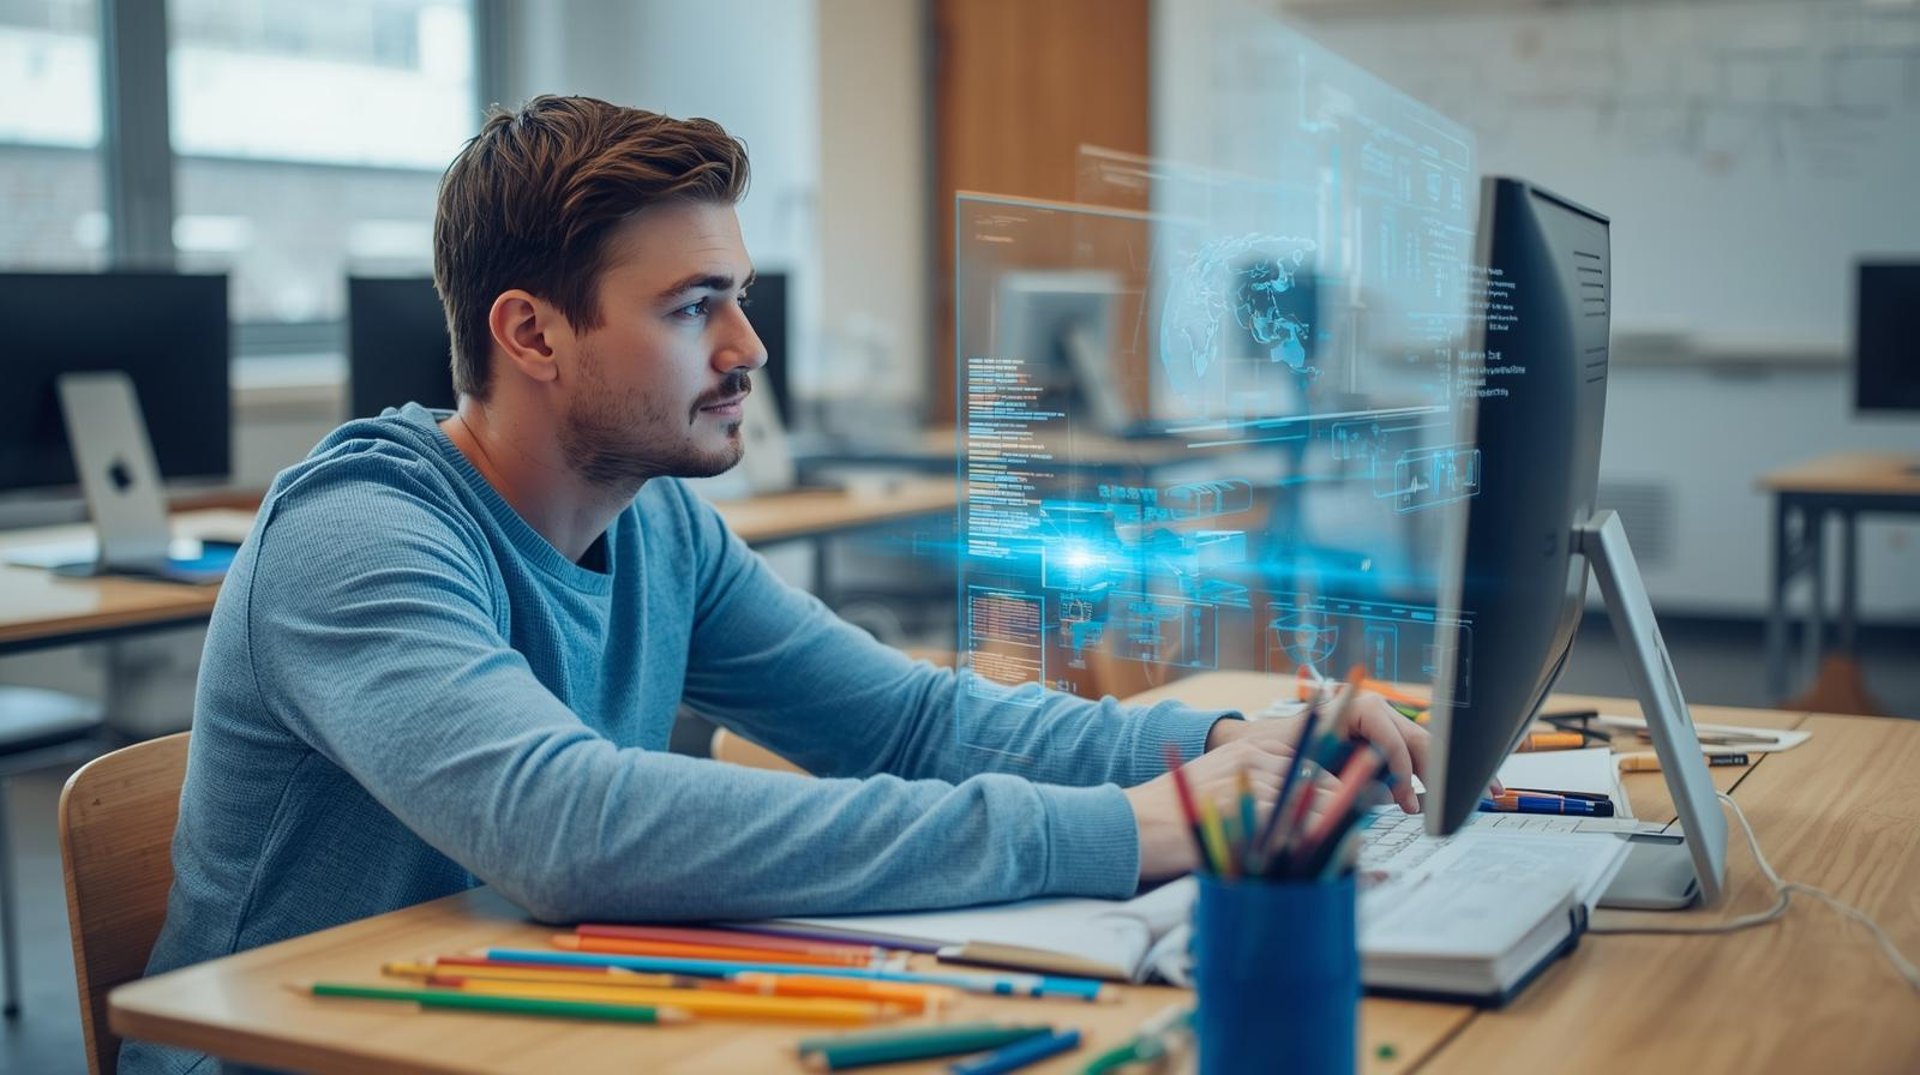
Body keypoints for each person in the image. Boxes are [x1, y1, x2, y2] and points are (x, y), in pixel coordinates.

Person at [124, 95, 1427, 1073]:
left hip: (508, 1020)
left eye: (738, 297)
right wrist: (1133, 826)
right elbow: (567, 831)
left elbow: (907, 723)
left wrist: (1220, 743)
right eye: (695, 307)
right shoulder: (359, 536)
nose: (750, 347)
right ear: (531, 333)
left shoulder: (657, 527)